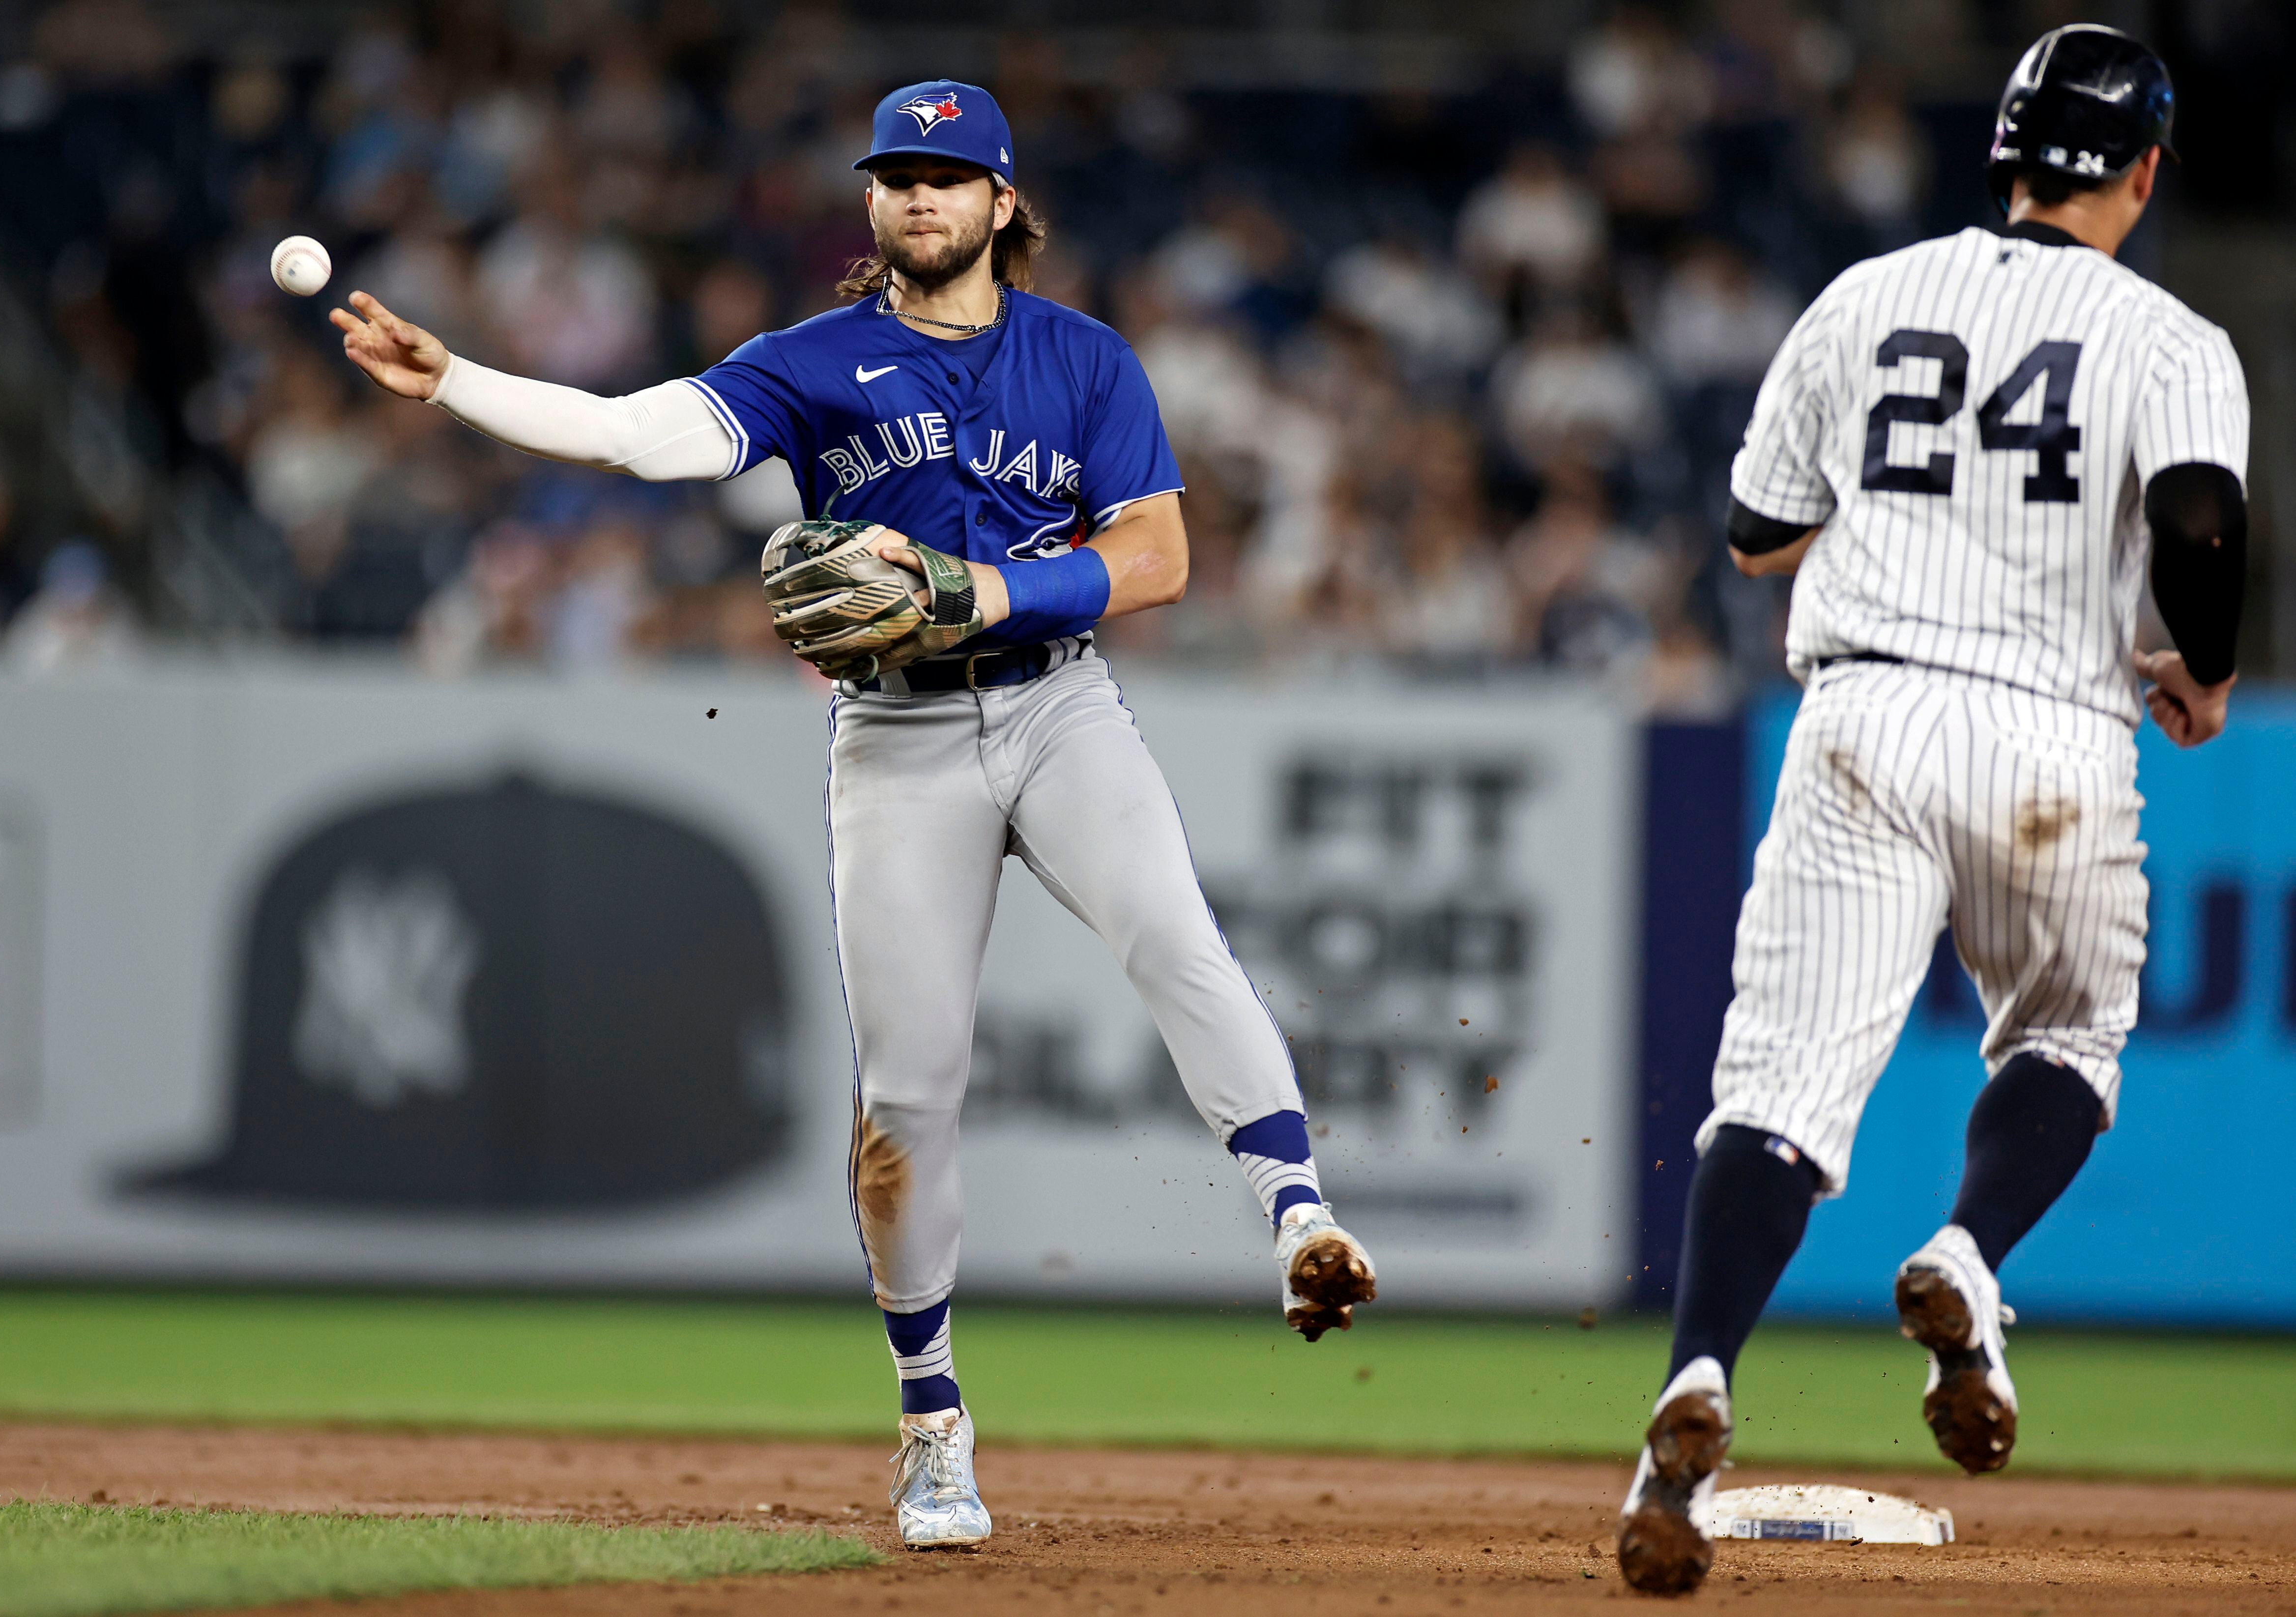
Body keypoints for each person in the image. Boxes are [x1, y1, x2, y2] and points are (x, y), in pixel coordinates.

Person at [330, 78, 1374, 1554]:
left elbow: (1158, 559)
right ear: (873, 201)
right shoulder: (812, 365)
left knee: (1172, 935)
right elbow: (637, 436)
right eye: (898, 174)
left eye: (951, 175)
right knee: (909, 1102)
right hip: (894, 738)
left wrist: (988, 590)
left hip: (1058, 701)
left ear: (1006, 202)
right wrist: (459, 384)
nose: (922, 196)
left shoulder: (1084, 360)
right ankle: (931, 1423)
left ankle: (1298, 1217)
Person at [1616, 26, 2247, 1594]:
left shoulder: (1866, 295)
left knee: (1777, 1092)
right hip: (2055, 730)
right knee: (2063, 1040)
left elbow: (1759, 527)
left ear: (2005, 152)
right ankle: (1967, 1252)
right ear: (2149, 172)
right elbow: (2197, 518)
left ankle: (1696, 1382)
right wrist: (2210, 666)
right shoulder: (2173, 339)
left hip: (1864, 715)